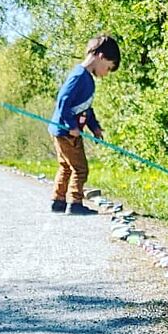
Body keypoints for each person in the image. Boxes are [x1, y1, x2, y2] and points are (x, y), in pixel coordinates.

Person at [48, 34, 120, 215]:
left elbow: (86, 108)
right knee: (80, 169)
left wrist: (94, 127)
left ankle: (58, 201)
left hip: (62, 130)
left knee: (65, 166)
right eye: (108, 68)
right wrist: (71, 125)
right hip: (66, 131)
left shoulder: (86, 79)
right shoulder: (79, 76)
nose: (106, 74)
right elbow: (63, 100)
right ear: (101, 56)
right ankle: (75, 203)